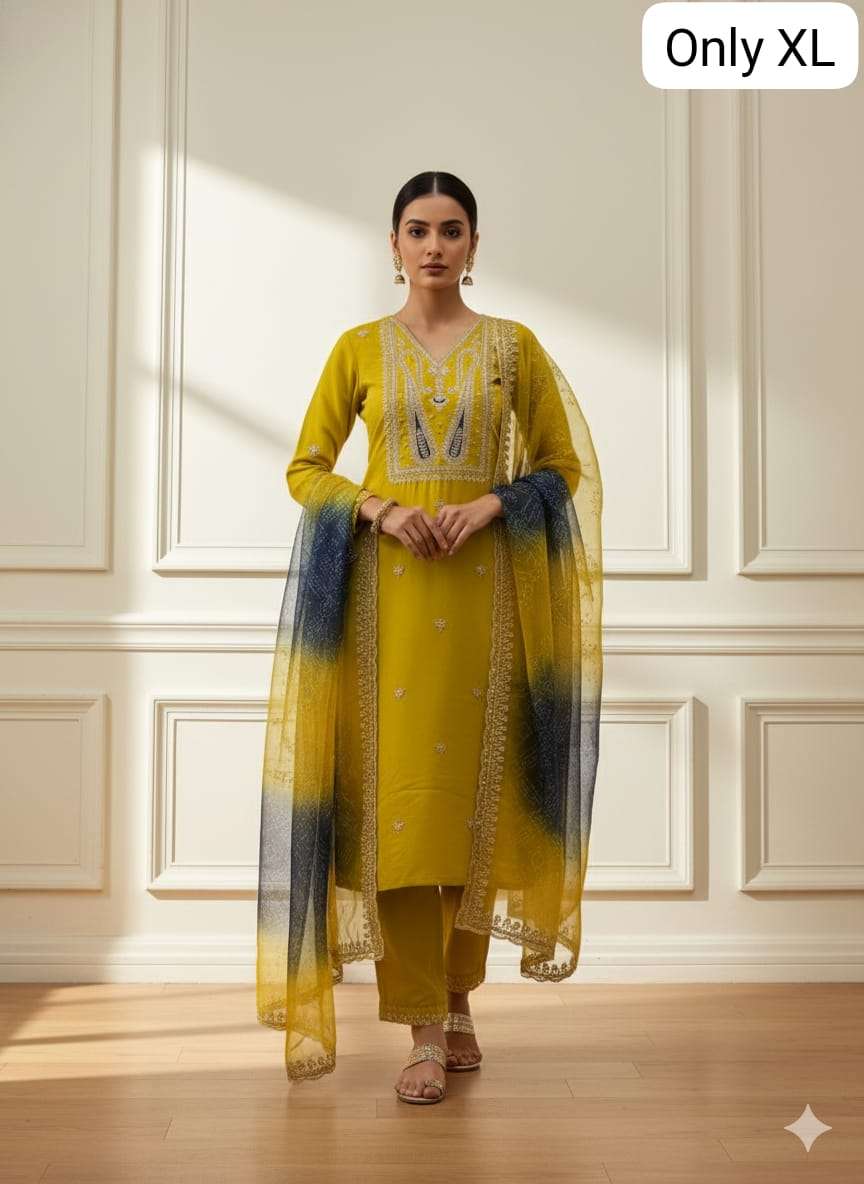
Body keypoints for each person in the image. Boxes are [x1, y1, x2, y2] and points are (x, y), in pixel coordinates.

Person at [256, 170, 604, 1103]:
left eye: (452, 230)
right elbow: (305, 469)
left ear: (475, 246)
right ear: (394, 245)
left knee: (474, 815)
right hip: (385, 614)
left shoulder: (513, 349)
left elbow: (562, 467)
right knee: (401, 821)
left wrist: (493, 504)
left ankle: (456, 1001)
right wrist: (379, 509)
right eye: (418, 230)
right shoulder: (358, 350)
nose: (435, 246)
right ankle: (421, 1029)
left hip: (491, 612)